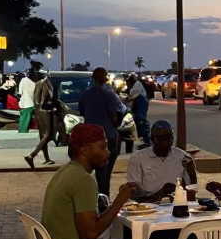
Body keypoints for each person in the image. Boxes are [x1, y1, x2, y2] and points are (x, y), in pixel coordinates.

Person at [77, 68, 125, 197]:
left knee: (98, 171)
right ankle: (104, 197)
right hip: (107, 136)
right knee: (106, 171)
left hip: (91, 138)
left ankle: (101, 197)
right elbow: (115, 115)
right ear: (105, 78)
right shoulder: (109, 94)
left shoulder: (85, 95)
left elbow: (81, 112)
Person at [125, 120, 197, 200]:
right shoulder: (137, 158)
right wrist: (160, 194)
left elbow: (191, 187)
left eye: (169, 138)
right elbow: (133, 192)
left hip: (175, 203)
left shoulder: (183, 157)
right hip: (147, 205)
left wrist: (191, 173)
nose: (165, 142)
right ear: (152, 139)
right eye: (160, 139)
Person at [25, 73, 61, 169]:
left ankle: (47, 158)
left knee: (43, 136)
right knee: (47, 134)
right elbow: (39, 99)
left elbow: (36, 98)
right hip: (44, 111)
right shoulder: (44, 83)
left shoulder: (40, 83)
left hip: (39, 111)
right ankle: (31, 156)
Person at [126, 73, 151, 147]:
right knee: (139, 123)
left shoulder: (137, 84)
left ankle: (147, 142)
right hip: (139, 105)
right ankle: (145, 142)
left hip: (141, 104)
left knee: (142, 122)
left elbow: (132, 94)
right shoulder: (136, 84)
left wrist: (127, 98)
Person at [18, 69, 36, 133]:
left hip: (26, 104)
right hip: (32, 104)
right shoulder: (35, 83)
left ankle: (23, 131)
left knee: (24, 120)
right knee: (29, 119)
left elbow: (20, 92)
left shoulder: (23, 80)